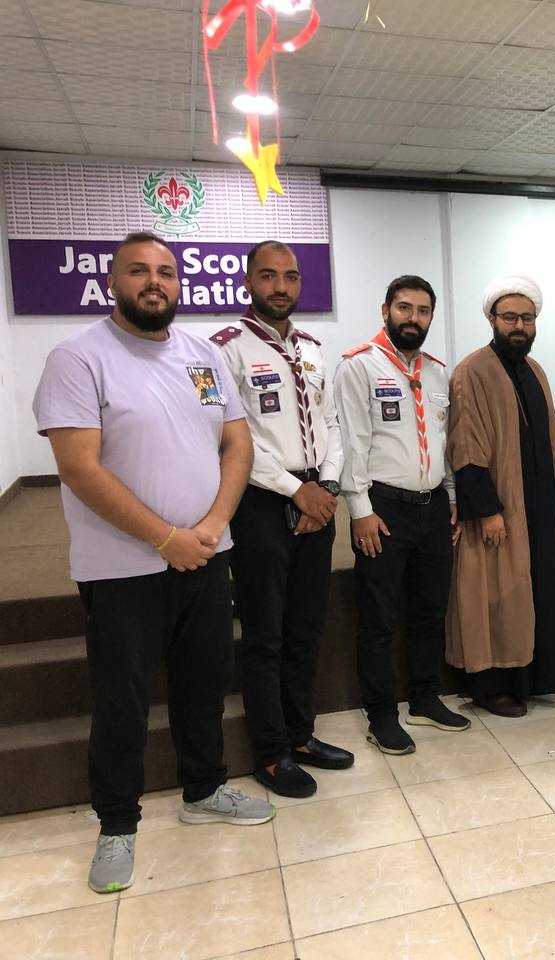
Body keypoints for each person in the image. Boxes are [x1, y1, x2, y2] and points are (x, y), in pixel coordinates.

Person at [32, 231, 274, 895]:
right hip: (121, 569)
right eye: (138, 270)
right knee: (123, 699)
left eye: (166, 271)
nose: (154, 282)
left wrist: (213, 525)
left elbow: (237, 443)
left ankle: (205, 790)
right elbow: (79, 468)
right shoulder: (78, 358)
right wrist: (166, 538)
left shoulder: (204, 355)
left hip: (207, 555)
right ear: (113, 282)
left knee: (204, 682)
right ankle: (117, 823)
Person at [212, 240, 353, 797]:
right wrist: (298, 491)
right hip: (263, 504)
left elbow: (332, 425)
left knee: (305, 629)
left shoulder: (314, 349)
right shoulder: (225, 350)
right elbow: (233, 439)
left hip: (317, 499)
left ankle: (300, 734)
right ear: (248, 282)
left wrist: (327, 488)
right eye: (268, 276)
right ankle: (271, 753)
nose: (281, 286)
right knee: (265, 635)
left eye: (290, 276)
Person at [335, 275, 470, 755]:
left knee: (429, 611)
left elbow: (442, 443)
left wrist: (451, 497)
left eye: (423, 310)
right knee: (378, 618)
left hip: (432, 508)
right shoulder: (358, 366)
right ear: (385, 311)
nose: (413, 318)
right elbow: (352, 442)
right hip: (383, 509)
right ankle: (381, 715)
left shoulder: (436, 372)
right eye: (404, 308)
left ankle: (424, 698)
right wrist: (360, 510)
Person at [446, 275, 555, 717]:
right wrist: (487, 510)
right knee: (498, 593)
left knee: (537, 589)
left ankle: (534, 678)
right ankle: (493, 685)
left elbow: (549, 440)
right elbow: (466, 445)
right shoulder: (472, 371)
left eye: (527, 318)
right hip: (500, 509)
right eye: (510, 317)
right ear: (492, 320)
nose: (519, 325)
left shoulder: (535, 370)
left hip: (539, 506)